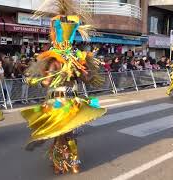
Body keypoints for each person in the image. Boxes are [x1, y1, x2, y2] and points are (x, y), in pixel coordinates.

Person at [21, 1, 106, 174]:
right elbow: (47, 82)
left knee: (67, 133)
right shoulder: (58, 59)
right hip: (58, 102)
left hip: (70, 102)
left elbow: (87, 78)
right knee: (61, 133)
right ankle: (61, 161)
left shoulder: (76, 59)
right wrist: (49, 75)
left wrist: (80, 71)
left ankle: (70, 160)